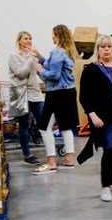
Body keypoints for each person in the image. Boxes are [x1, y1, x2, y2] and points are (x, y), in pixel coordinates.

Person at [78, 35, 112, 202]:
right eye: (103, 47)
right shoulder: (91, 69)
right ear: (98, 50)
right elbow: (84, 97)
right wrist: (92, 115)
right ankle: (105, 186)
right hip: (104, 118)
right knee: (109, 149)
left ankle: (110, 183)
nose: (107, 49)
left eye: (109, 46)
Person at [26, 25, 79, 174]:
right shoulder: (68, 52)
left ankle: (51, 162)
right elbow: (55, 67)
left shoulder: (57, 53)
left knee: (44, 127)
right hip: (68, 92)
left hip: (57, 94)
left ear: (57, 35)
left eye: (53, 35)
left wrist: (39, 69)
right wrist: (40, 56)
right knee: (66, 126)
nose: (52, 37)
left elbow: (54, 75)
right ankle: (69, 158)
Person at [8, 31, 44, 166]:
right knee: (24, 124)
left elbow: (39, 71)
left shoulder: (33, 56)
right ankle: (27, 154)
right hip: (22, 94)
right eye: (25, 38)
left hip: (35, 93)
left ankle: (35, 133)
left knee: (44, 122)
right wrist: (30, 58)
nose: (28, 41)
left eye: (30, 38)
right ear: (19, 41)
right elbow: (21, 73)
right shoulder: (14, 56)